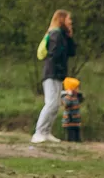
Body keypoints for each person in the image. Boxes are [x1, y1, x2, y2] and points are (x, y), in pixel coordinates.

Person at [32, 10, 76, 143]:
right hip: (51, 73)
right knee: (50, 103)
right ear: (62, 20)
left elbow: (71, 52)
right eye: (68, 19)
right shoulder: (55, 34)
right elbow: (54, 55)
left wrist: (70, 36)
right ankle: (38, 132)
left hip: (58, 74)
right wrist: (59, 69)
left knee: (56, 104)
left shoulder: (62, 35)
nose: (70, 22)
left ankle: (46, 132)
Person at [61, 76, 83, 142]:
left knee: (77, 136)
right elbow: (66, 104)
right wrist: (69, 95)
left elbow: (81, 100)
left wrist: (79, 96)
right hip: (69, 121)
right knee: (71, 136)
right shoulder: (66, 97)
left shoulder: (76, 97)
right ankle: (71, 142)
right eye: (76, 88)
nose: (77, 90)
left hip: (76, 121)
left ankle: (78, 141)